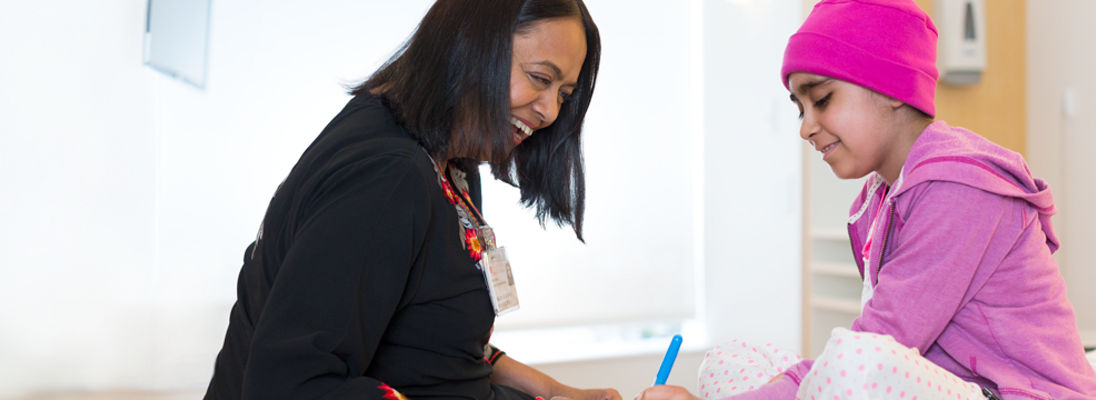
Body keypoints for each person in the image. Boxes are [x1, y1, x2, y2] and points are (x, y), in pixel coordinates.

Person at [638, 0, 1096, 399]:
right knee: (727, 362)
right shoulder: (882, 197)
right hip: (951, 384)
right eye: (800, 108)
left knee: (853, 364)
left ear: (891, 87)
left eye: (821, 99)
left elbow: (878, 348)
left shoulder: (960, 191)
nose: (805, 126)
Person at [204, 0, 621, 399]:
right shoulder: (387, 176)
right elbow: (292, 384)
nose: (550, 111)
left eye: (564, 94)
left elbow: (432, 343)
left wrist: (552, 391)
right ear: (474, 45)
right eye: (540, 78)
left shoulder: (449, 159)